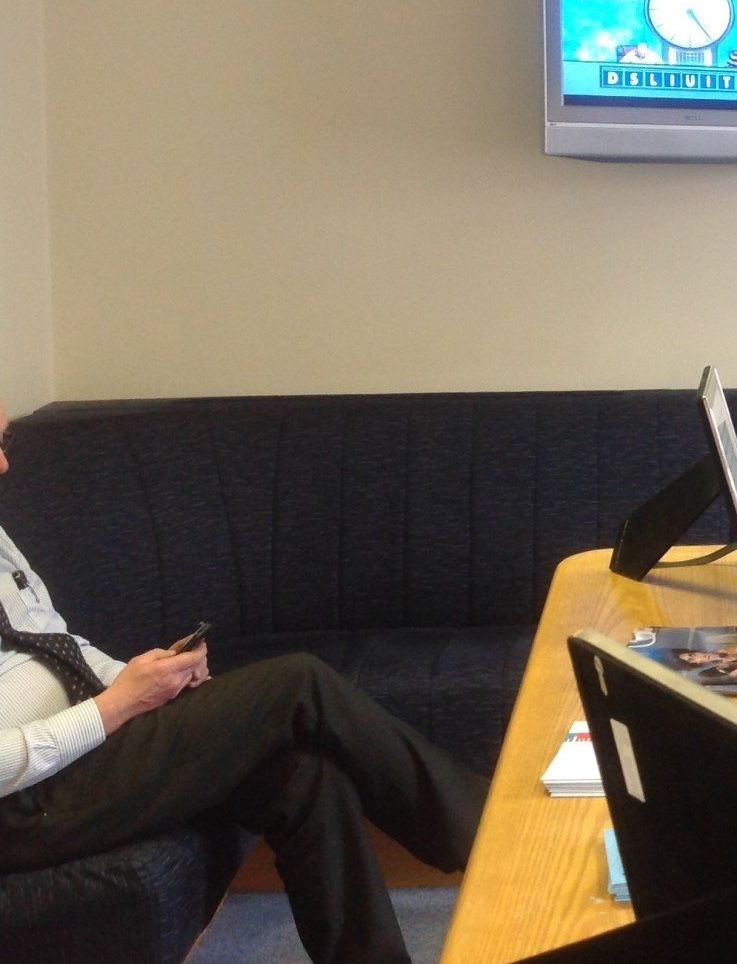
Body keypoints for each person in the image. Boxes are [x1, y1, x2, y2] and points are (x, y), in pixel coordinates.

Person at [0, 396, 489, 964]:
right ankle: (491, 834)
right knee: (298, 683)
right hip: (23, 805)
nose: (6, 464)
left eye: (3, 442)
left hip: (86, 743)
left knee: (304, 775)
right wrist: (116, 708)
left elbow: (56, 637)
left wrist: (144, 676)